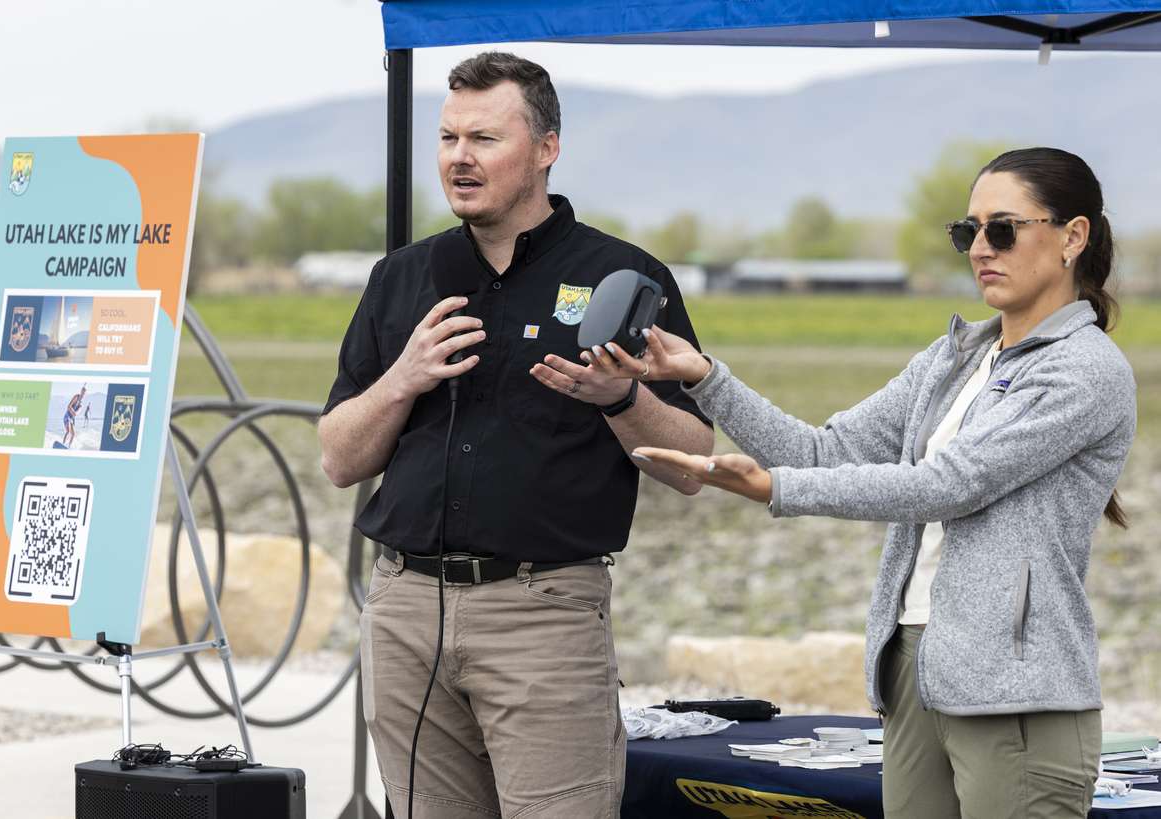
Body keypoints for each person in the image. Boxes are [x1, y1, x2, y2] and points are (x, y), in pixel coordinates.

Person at [625, 147, 1135, 818]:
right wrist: (702, 378)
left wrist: (776, 489)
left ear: (1073, 236)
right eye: (968, 231)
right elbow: (821, 448)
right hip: (912, 664)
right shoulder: (954, 358)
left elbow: (949, 483)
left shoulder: (1085, 369)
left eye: (1002, 229)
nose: (980, 247)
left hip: (1019, 693)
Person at [318, 52, 714, 818]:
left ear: (546, 147)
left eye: (484, 139)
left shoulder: (622, 278)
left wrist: (620, 396)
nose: (459, 157)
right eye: (447, 138)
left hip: (542, 611)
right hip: (405, 612)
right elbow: (339, 458)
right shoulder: (401, 277)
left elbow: (694, 464)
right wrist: (403, 377)